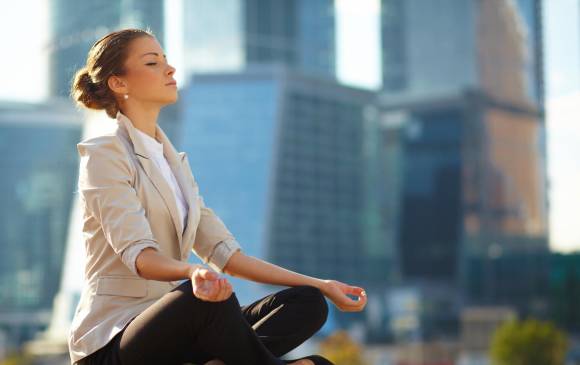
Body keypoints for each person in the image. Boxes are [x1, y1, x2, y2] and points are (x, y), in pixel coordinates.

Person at [68, 28, 367, 365]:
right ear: (118, 83)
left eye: (166, 61)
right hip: (114, 341)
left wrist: (323, 284)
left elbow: (229, 257)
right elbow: (140, 257)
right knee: (205, 299)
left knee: (307, 302)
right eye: (153, 62)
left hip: (178, 338)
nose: (170, 70)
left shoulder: (174, 164)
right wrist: (193, 273)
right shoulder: (105, 154)